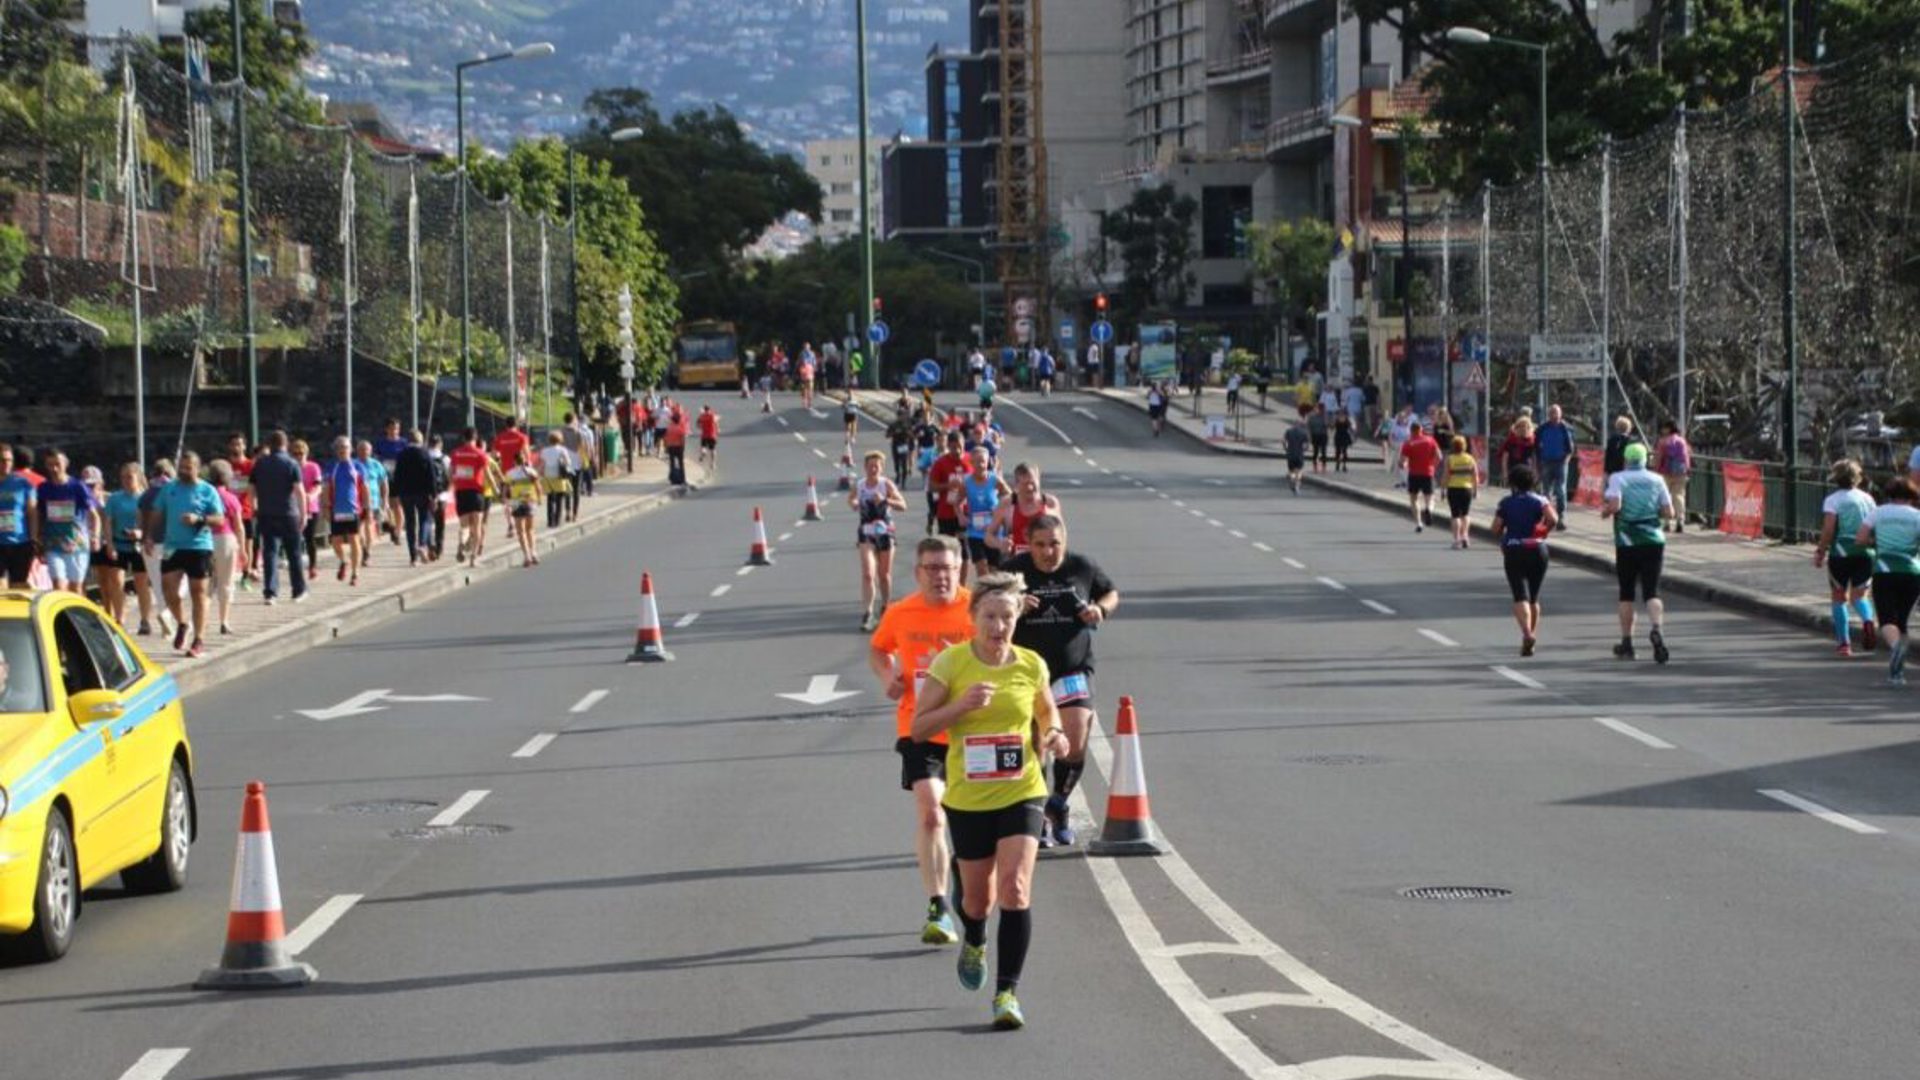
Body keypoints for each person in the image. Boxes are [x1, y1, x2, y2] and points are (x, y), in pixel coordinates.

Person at [911, 572, 1067, 1030]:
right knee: (978, 901)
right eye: (990, 617)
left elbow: (1045, 711)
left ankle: (1006, 993)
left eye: (1007, 617)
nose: (999, 626)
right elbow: (919, 728)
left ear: (1018, 618)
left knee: (1015, 888)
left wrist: (1054, 733)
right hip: (969, 796)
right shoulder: (952, 664)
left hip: (1023, 788)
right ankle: (976, 937)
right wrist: (961, 707)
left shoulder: (1031, 664)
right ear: (974, 617)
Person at [1003, 514, 1116, 847]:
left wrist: (1100, 610)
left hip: (1072, 668)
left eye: (1055, 544)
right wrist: (1015, 606)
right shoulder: (1013, 570)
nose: (1048, 552)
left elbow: (1110, 593)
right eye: (1040, 545)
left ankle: (1058, 803)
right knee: (1035, 746)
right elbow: (986, 609)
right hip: (1027, 673)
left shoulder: (1081, 566)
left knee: (1075, 740)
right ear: (1028, 544)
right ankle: (1037, 814)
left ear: (1064, 542)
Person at [1601, 442, 1674, 663]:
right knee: (1652, 591)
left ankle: (1627, 644)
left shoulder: (1618, 478)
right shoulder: (1657, 479)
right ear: (1645, 460)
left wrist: (1606, 512)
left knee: (1627, 593)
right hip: (1653, 540)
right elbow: (1669, 512)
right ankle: (1657, 629)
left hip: (1627, 540)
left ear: (1626, 460)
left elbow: (1615, 505)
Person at [154, 451, 225, 658]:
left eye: (188, 467)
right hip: (172, 547)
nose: (184, 471)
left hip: (199, 546)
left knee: (198, 593)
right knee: (168, 589)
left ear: (198, 468)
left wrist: (199, 519)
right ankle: (183, 623)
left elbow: (220, 519)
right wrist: (148, 536)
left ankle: (198, 639)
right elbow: (157, 513)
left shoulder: (208, 490)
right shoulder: (169, 488)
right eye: (181, 467)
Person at [1814, 459, 1879, 658]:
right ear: (1858, 477)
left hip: (1841, 553)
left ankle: (1844, 643)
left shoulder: (1833, 500)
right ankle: (1868, 620)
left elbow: (1829, 529)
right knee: (1860, 596)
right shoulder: (1868, 499)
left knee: (1839, 597)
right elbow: (1874, 526)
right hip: (1865, 553)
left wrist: (1820, 551)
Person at [1492, 465, 1558, 656]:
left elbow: (1495, 528)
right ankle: (1531, 637)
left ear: (1512, 483)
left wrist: (1504, 535)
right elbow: (1553, 518)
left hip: (1514, 549)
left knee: (1520, 595)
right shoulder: (1540, 500)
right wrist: (1543, 532)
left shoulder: (1506, 502)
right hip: (1537, 549)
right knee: (1534, 598)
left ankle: (1527, 633)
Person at [1859, 477, 1920, 684]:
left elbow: (1861, 538)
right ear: (1912, 496)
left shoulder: (1878, 512)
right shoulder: (1917, 516)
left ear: (1889, 494)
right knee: (1902, 622)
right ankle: (1897, 674)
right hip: (1912, 572)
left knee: (1887, 619)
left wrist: (1875, 542)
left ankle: (1896, 649)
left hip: (1884, 571)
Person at [852, 451, 909, 631]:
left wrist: (886, 500)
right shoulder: (860, 485)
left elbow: (903, 505)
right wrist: (854, 503)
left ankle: (885, 606)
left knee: (884, 575)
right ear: (865, 467)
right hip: (866, 533)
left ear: (882, 468)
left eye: (876, 466)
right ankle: (868, 612)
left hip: (885, 532)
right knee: (868, 574)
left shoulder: (886, 484)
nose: (873, 469)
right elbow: (851, 499)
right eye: (870, 466)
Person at [250, 430, 307, 602]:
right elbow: (299, 491)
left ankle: (270, 592)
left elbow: (251, 488)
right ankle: (298, 590)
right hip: (288, 513)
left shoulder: (260, 464)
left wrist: (254, 506)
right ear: (285, 444)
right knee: (294, 553)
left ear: (269, 444)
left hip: (266, 513)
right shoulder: (291, 463)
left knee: (270, 553)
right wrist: (304, 514)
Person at [36, 450, 99, 595]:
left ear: (66, 464)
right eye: (50, 465)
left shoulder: (78, 487)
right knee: (58, 585)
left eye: (57, 464)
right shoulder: (43, 488)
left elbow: (94, 516)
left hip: (76, 545)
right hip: (53, 545)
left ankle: (77, 610)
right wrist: (38, 538)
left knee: (76, 588)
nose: (54, 469)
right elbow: (39, 515)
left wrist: (95, 536)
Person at [98, 464, 147, 628]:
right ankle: (120, 618)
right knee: (116, 581)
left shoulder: (145, 498)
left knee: (141, 583)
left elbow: (152, 522)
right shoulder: (115, 498)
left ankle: (145, 619)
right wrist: (109, 544)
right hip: (119, 544)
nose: (126, 480)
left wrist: (141, 533)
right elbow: (107, 522)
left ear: (138, 477)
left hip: (139, 545)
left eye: (129, 477)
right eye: (123, 477)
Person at [203, 460, 249, 635]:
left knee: (206, 584)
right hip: (225, 540)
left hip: (205, 540)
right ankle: (224, 621)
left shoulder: (204, 496)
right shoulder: (231, 498)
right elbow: (239, 526)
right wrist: (243, 549)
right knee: (226, 582)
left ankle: (202, 620)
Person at [987, 463, 1062, 562]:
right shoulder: (1007, 504)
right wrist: (1000, 544)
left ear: (1038, 481)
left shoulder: (1050, 503)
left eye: (1032, 483)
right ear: (1017, 485)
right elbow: (989, 536)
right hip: (1016, 563)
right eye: (1025, 484)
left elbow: (1061, 534)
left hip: (1044, 563)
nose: (1030, 488)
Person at [958, 447, 1012, 580]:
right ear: (971, 463)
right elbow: (957, 502)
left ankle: (994, 591)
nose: (980, 465)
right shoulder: (966, 482)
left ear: (988, 462)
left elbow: (1011, 498)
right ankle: (984, 592)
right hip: (975, 532)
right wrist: (961, 516)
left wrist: (999, 508)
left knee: (995, 571)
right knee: (981, 568)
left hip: (994, 531)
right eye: (976, 461)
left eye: (982, 461)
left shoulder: (995, 480)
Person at [321, 437, 369, 585]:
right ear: (336, 450)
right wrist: (325, 507)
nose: (343, 450)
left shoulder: (358, 466)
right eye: (340, 447)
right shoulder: (331, 467)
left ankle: (355, 573)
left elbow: (364, 488)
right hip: (337, 510)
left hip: (354, 510)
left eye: (345, 447)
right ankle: (344, 560)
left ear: (351, 449)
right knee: (336, 542)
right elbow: (326, 488)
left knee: (354, 539)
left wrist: (367, 508)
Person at [389, 430, 439, 565]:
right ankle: (422, 544)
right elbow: (431, 476)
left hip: (406, 493)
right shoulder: (425, 454)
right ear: (420, 440)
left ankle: (413, 557)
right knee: (425, 519)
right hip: (423, 493)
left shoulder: (402, 455)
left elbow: (397, 475)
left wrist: (396, 493)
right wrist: (434, 495)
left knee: (410, 524)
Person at [448, 428, 496, 565]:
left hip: (461, 492)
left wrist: (452, 485)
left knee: (464, 526)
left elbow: (450, 473)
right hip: (476, 493)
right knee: (477, 527)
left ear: (463, 438)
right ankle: (473, 559)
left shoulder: (456, 453)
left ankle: (462, 543)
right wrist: (496, 488)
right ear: (475, 438)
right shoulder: (480, 454)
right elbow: (488, 474)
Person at [927, 431, 970, 555]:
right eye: (953, 447)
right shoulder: (940, 463)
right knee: (946, 550)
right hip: (946, 512)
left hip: (966, 512)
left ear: (964, 444)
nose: (957, 450)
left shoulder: (971, 459)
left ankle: (963, 568)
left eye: (960, 447)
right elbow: (931, 487)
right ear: (948, 446)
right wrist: (948, 485)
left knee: (964, 550)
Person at [0, 444, 35, 589]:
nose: (6, 464)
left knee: (18, 585)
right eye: (2, 460)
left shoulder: (23, 483)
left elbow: (32, 512)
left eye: (9, 460)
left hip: (20, 542)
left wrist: (34, 538)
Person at [1535, 404, 1574, 528]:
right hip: (1546, 462)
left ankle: (1560, 517)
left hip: (1560, 462)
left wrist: (1566, 460)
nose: (1554, 415)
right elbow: (1536, 446)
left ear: (1560, 414)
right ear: (1548, 414)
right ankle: (1548, 517)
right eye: (1552, 413)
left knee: (1560, 491)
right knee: (1546, 491)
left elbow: (1570, 448)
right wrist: (1538, 462)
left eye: (1556, 413)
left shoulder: (1566, 428)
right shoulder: (1542, 429)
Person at [503, 450, 543, 568]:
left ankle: (526, 556)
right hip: (530, 501)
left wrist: (505, 501)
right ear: (524, 460)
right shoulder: (531, 472)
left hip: (516, 502)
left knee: (521, 531)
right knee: (530, 529)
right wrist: (540, 499)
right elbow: (538, 487)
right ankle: (534, 553)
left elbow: (505, 490)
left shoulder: (510, 473)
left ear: (514, 461)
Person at [1398, 420, 1440, 532]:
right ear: (1421, 429)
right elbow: (1439, 456)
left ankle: (1419, 523)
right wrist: (1433, 466)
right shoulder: (1430, 440)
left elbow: (1402, 462)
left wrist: (1404, 465)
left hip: (1414, 474)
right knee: (1429, 497)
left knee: (1414, 499)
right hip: (1428, 473)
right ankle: (1428, 509)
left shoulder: (1408, 443)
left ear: (1411, 430)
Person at [291, 439, 324, 579]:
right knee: (294, 537)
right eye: (295, 454)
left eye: (301, 453)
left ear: (306, 453)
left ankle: (313, 565)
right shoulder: (290, 467)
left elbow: (318, 485)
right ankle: (296, 565)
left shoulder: (313, 467)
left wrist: (311, 495)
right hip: (294, 507)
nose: (299, 456)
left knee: (310, 537)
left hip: (311, 507)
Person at [353, 440, 390, 565]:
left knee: (369, 527)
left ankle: (367, 552)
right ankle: (363, 549)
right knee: (358, 529)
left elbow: (384, 483)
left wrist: (385, 500)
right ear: (357, 451)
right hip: (357, 502)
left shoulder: (376, 465)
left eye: (366, 449)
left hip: (373, 501)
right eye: (361, 449)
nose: (364, 452)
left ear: (370, 451)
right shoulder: (353, 464)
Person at [1441, 436, 1480, 549]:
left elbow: (1446, 475)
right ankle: (1465, 536)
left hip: (1453, 489)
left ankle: (1456, 539)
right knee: (1465, 514)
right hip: (1466, 489)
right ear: (1464, 446)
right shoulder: (1470, 458)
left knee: (1455, 515)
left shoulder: (1450, 459)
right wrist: (1475, 490)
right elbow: (1475, 476)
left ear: (1453, 446)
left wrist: (1443, 489)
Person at [1655, 421, 1692, 533]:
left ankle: (1667, 522)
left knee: (1666, 496)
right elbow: (1687, 457)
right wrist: (1687, 470)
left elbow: (1659, 457)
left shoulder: (1663, 442)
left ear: (1668, 429)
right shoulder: (1682, 441)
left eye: (1664, 427)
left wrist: (1656, 469)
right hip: (1681, 473)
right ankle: (1680, 520)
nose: (1662, 430)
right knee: (1679, 496)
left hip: (1665, 472)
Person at [537, 430, 574, 530]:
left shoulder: (544, 451)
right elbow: (568, 462)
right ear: (560, 439)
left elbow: (542, 464)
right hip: (559, 476)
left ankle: (550, 520)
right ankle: (557, 520)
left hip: (548, 476)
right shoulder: (562, 450)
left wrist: (539, 473)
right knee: (559, 499)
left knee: (550, 499)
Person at [1498, 416, 1537, 486]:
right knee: (1514, 488)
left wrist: (1535, 471)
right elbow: (1505, 457)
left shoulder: (1532, 441)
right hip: (1513, 468)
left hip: (1526, 470)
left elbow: (1534, 457)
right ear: (1517, 427)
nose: (1523, 428)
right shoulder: (1511, 440)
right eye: (1521, 426)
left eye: (1526, 426)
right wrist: (1505, 473)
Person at [1603, 415, 1642, 480]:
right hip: (1625, 472)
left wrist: (1606, 471)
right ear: (1628, 428)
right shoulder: (1631, 441)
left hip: (1611, 472)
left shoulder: (1611, 440)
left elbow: (1607, 456)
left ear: (1617, 427)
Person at [887, 410, 916, 487]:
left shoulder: (907, 425)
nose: (901, 417)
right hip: (896, 445)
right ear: (897, 416)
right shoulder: (893, 425)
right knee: (896, 463)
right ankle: (898, 475)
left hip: (904, 445)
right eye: (899, 416)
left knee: (904, 463)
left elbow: (913, 435)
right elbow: (887, 435)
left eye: (902, 415)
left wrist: (908, 433)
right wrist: (895, 432)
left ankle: (904, 481)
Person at [1283, 418, 1309, 494]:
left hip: (1290, 453)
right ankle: (1297, 484)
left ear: (1293, 424)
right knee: (1298, 470)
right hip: (1299, 454)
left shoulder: (1288, 431)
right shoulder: (1304, 433)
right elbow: (1306, 445)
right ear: (1300, 425)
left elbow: (1284, 441)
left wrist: (1286, 448)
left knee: (1291, 470)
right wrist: (1304, 450)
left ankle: (1292, 480)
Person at [697, 404, 721, 476]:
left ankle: (703, 453)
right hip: (712, 435)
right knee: (713, 449)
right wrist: (718, 419)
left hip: (704, 435)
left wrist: (701, 415)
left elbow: (698, 425)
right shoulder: (712, 415)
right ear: (709, 409)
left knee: (703, 447)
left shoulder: (702, 416)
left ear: (704, 409)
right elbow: (716, 420)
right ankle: (713, 463)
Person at [1307, 404, 1330, 472]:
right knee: (1315, 452)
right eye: (1316, 409)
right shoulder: (1311, 417)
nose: (1317, 410)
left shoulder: (1325, 417)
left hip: (1323, 436)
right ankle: (1315, 466)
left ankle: (1324, 466)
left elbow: (1328, 426)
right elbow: (1309, 427)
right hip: (1315, 435)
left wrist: (1325, 418)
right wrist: (1309, 436)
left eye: (1318, 409)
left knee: (1323, 452)